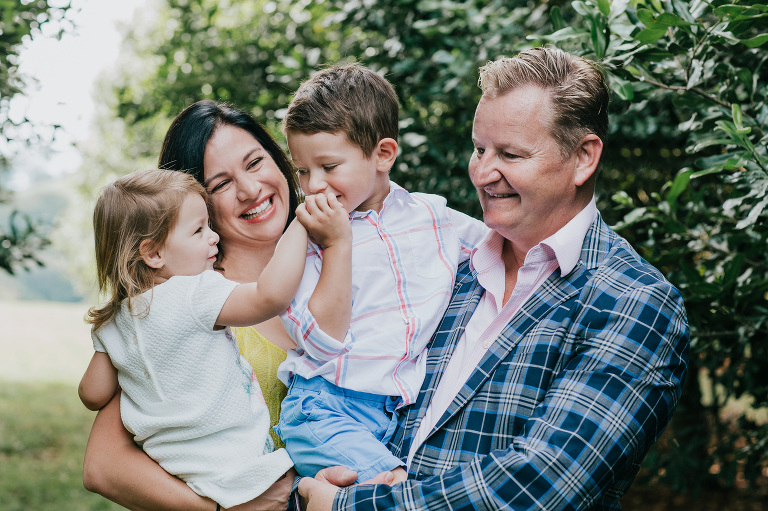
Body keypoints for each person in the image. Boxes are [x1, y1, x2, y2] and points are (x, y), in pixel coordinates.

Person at [298, 47, 690, 510]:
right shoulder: (449, 265)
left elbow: (541, 485)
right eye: (480, 149)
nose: (483, 172)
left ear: (583, 158)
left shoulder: (633, 302)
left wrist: (343, 507)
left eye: (510, 154)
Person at [82, 101, 307, 511]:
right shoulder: (183, 300)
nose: (250, 189)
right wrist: (227, 508)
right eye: (220, 184)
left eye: (255, 162)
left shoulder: (344, 250)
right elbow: (103, 465)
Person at [274, 62, 488, 484]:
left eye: (329, 167)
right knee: (393, 490)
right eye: (302, 171)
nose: (313, 185)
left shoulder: (433, 218)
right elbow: (320, 339)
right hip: (323, 408)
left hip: (394, 412)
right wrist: (337, 243)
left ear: (383, 155)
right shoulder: (305, 241)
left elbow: (505, 252)